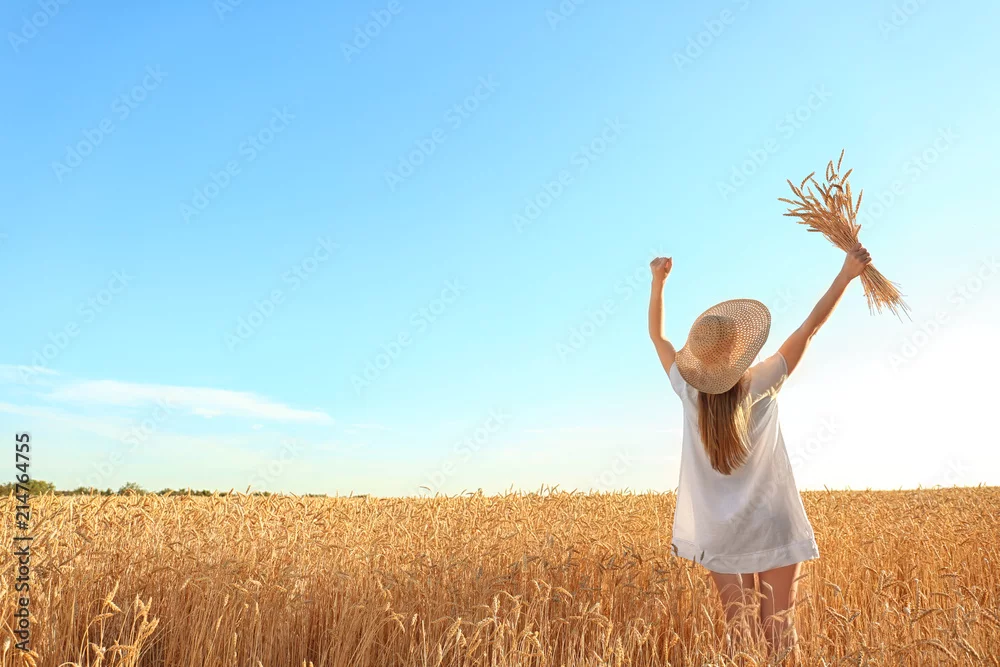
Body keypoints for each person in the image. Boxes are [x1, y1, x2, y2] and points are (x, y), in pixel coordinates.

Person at [646, 243, 872, 660]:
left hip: (719, 532)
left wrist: (657, 283)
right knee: (780, 636)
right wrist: (846, 274)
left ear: (699, 358)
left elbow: (658, 337)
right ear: (739, 351)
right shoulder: (762, 381)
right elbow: (809, 328)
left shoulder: (688, 390)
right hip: (773, 523)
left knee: (742, 639)